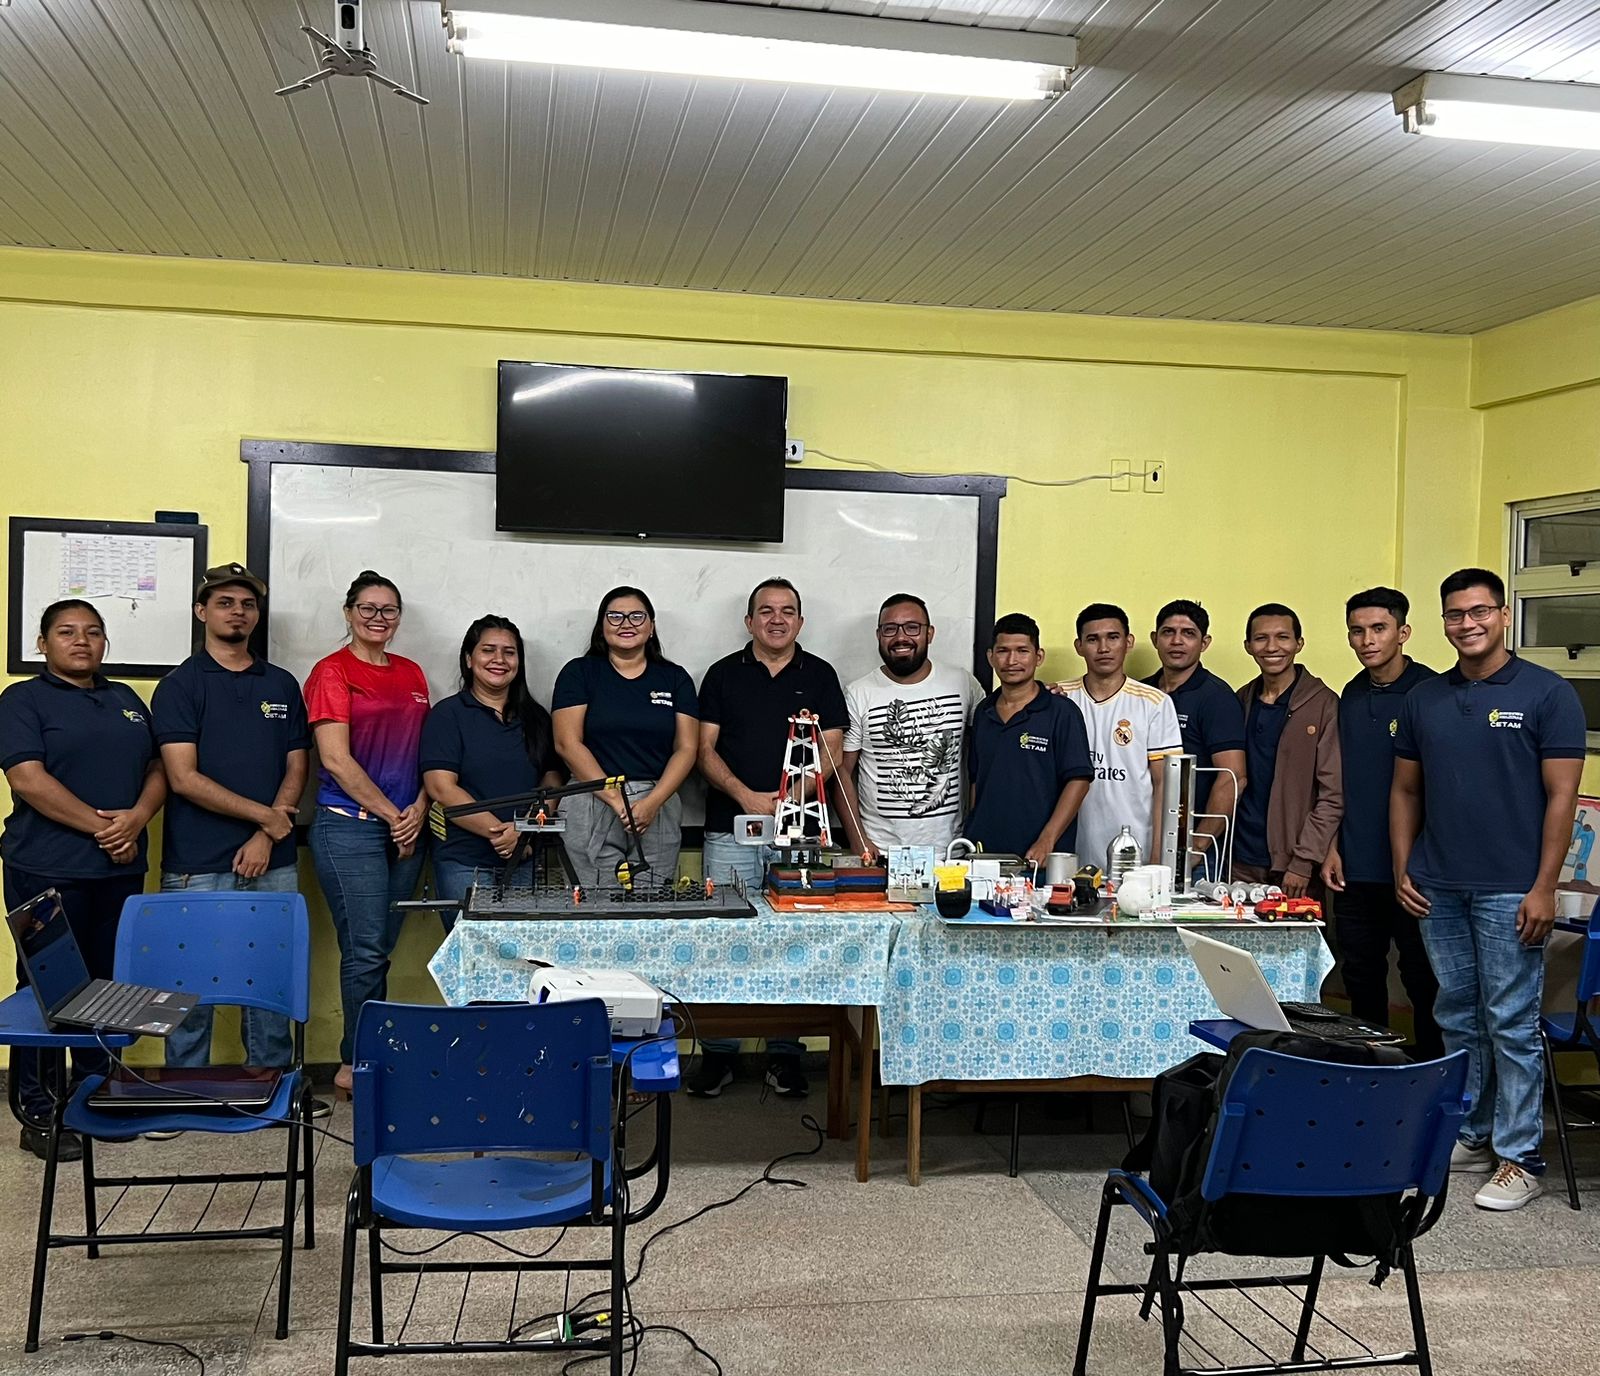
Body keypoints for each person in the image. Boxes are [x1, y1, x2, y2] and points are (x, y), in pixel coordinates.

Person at [1392, 568, 1586, 1211]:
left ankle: (1521, 1156)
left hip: (1512, 890)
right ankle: (1473, 1132)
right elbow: (1406, 790)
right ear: (1442, 621)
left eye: (1479, 611)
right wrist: (1403, 868)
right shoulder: (1425, 698)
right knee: (1457, 1015)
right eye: (1455, 614)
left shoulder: (1548, 693)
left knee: (1511, 1022)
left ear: (1503, 615)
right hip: (1438, 886)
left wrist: (1544, 887)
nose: (1467, 624)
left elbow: (1563, 797)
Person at [151, 563, 329, 1113]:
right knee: (188, 984)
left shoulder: (279, 684)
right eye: (224, 603)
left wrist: (267, 829)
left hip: (271, 858)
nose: (237, 612)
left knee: (267, 978)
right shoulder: (180, 685)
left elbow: (297, 763)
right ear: (203, 612)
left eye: (246, 604)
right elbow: (183, 778)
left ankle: (270, 1089)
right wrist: (268, 817)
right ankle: (183, 1093)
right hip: (196, 864)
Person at [0, 599, 166, 1159]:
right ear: (42, 644)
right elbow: (28, 779)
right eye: (66, 632)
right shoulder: (22, 699)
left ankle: (100, 1094)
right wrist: (105, 829)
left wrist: (137, 819)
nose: (81, 641)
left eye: (93, 632)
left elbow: (156, 768)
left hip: (117, 870)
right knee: (47, 989)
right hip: (45, 869)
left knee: (106, 984)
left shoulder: (125, 700)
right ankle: (39, 1110)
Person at [693, 578, 848, 1099]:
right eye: (765, 611)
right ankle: (718, 1056)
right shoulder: (721, 674)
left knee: (793, 941)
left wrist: (787, 798)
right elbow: (702, 749)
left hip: (799, 828)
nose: (776, 619)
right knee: (724, 938)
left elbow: (830, 751)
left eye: (787, 611)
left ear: (800, 622)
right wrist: (746, 795)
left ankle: (786, 1056)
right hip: (729, 828)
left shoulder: (821, 674)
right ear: (749, 621)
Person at [304, 572, 430, 1097]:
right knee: (365, 950)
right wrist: (392, 815)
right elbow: (334, 758)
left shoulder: (413, 673)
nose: (379, 618)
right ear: (349, 611)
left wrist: (418, 809)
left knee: (380, 949)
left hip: (407, 829)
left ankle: (372, 1056)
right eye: (368, 608)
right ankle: (355, 1065)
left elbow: (428, 753)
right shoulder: (331, 672)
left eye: (389, 610)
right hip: (350, 828)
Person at [1319, 588, 1441, 1058]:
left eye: (1378, 628)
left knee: (1421, 979)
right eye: (1357, 630)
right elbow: (1335, 781)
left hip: (1414, 871)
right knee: (1361, 978)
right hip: (1355, 867)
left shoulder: (1431, 693)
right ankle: (1373, 1077)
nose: (1366, 640)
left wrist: (1418, 863)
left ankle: (1432, 1083)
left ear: (1403, 632)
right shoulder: (1349, 695)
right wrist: (1332, 845)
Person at [552, 587, 698, 890]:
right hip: (592, 796)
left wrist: (652, 803)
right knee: (594, 907)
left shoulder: (674, 678)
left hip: (657, 800)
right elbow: (567, 743)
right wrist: (617, 800)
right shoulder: (579, 673)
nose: (626, 623)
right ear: (601, 626)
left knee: (651, 906)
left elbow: (687, 748)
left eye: (636, 616)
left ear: (651, 626)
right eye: (615, 616)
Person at [422, 615, 563, 924]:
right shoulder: (448, 715)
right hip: (465, 862)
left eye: (509, 652)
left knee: (526, 960)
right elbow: (441, 787)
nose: (499, 659)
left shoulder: (536, 718)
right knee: (471, 960)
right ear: (469, 659)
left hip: (527, 860)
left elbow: (553, 778)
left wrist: (524, 833)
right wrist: (503, 835)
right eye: (488, 650)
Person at [834, 593, 984, 862]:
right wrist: (859, 841)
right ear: (879, 635)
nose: (901, 637)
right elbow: (841, 770)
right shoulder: (858, 692)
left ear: (930, 633)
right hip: (881, 854)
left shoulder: (962, 683)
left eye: (912, 627)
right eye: (890, 629)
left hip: (952, 853)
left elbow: (987, 754)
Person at [1056, 604, 1183, 872]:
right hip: (1068, 854)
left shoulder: (1154, 703)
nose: (1103, 648)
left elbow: (1166, 786)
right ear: (1079, 646)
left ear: (1129, 642)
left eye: (1113, 637)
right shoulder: (1060, 699)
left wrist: (1159, 859)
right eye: (1093, 639)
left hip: (1135, 853)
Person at [964, 614, 1093, 864]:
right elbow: (976, 781)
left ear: (1039, 656)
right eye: (1003, 651)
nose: (1012, 660)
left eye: (1022, 651)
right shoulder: (983, 712)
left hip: (1041, 858)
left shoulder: (1061, 712)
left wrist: (1047, 839)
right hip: (984, 855)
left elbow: (1078, 781)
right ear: (991, 657)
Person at [1234, 604, 1342, 897]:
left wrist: (1303, 861)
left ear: (1299, 644)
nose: (1272, 647)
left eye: (1283, 637)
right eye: (1261, 638)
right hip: (1239, 860)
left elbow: (1332, 794)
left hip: (1294, 864)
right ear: (1248, 646)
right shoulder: (1241, 700)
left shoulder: (1323, 704)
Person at [1142, 600, 1247, 870]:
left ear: (1205, 642)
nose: (1176, 641)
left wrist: (1197, 846)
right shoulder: (1141, 693)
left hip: (1191, 850)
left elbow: (1233, 778)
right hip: (1141, 838)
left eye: (1188, 633)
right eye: (1168, 632)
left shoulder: (1216, 698)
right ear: (1155, 639)